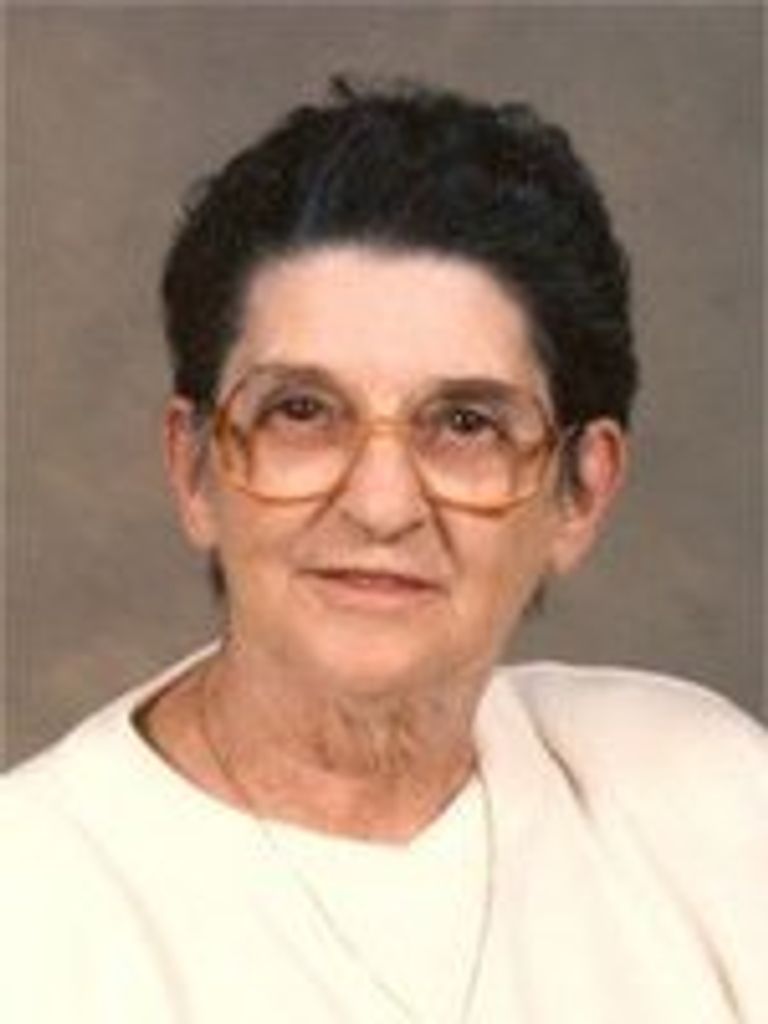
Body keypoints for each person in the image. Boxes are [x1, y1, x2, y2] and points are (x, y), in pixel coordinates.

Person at [2, 77, 766, 1024]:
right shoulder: (29, 912)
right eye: (301, 411)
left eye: (466, 422)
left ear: (582, 491)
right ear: (194, 467)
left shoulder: (706, 798)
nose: (381, 504)